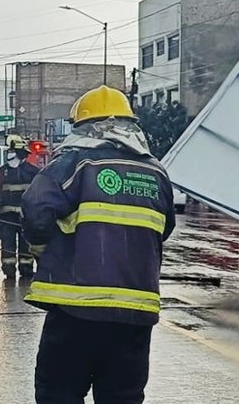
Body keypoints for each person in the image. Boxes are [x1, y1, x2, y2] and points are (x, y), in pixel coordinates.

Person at [22, 85, 176, 404]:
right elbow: (164, 227)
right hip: (135, 314)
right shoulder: (155, 172)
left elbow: (36, 208)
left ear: (82, 128)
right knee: (122, 397)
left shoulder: (75, 164)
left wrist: (42, 248)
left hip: (76, 310)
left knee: (58, 393)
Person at [0, 136, 40, 279]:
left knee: (26, 245)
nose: (9, 154)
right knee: (7, 245)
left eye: (12, 151)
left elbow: (39, 195)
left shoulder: (33, 172)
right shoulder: (2, 172)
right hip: (6, 218)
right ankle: (9, 270)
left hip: (26, 217)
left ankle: (26, 269)